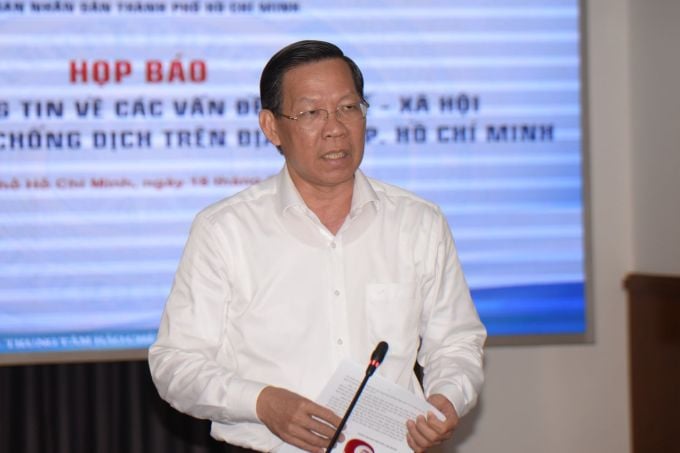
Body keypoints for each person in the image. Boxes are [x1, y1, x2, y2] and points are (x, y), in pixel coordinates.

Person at [148, 40, 486, 453]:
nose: (335, 128)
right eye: (311, 112)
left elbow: (456, 342)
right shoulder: (225, 230)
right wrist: (262, 402)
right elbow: (175, 365)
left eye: (348, 108)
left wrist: (446, 399)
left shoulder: (418, 222)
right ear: (271, 127)